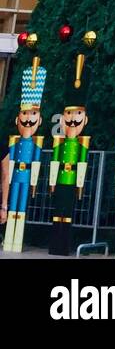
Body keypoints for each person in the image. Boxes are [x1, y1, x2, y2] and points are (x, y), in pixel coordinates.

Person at [48, 53, 91, 255]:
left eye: (78, 114)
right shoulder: (60, 142)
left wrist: (80, 184)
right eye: (68, 114)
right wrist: (52, 181)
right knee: (57, 213)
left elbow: (82, 163)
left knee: (68, 212)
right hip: (61, 179)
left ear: (85, 119)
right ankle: (55, 244)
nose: (73, 119)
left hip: (72, 178)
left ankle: (64, 245)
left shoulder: (82, 144)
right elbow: (55, 161)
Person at [5, 58, 46, 253]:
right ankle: (8, 238)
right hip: (15, 176)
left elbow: (36, 161)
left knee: (21, 206)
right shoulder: (14, 141)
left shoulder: (36, 142)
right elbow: (9, 162)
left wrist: (35, 182)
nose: (28, 119)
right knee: (13, 204)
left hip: (27, 174)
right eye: (25, 114)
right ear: (17, 118)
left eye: (33, 115)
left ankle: (17, 238)